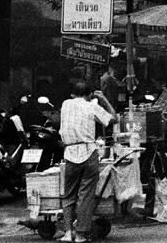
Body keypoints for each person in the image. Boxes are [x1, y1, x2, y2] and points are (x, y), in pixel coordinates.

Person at [59, 81, 115, 242]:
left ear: (73, 94)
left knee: (69, 195)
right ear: (90, 95)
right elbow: (114, 119)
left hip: (70, 153)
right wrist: (103, 99)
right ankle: (80, 234)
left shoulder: (65, 104)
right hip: (88, 152)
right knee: (85, 196)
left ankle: (68, 232)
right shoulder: (92, 106)